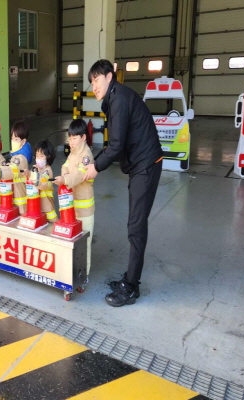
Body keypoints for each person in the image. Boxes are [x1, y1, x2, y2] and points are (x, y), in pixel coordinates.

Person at [83, 59, 163, 308]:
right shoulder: (115, 98)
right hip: (140, 165)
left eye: (97, 80)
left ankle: (131, 287)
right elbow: (118, 141)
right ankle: (129, 279)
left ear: (110, 76)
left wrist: (96, 167)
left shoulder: (119, 98)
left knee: (136, 226)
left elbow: (116, 144)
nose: (94, 86)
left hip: (146, 165)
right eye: (91, 82)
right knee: (134, 224)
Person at [53, 119, 95, 274]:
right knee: (72, 241)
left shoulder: (86, 156)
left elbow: (80, 175)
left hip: (84, 210)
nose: (71, 142)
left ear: (83, 137)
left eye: (75, 138)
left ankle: (84, 275)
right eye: (70, 138)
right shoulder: (73, 152)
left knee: (84, 244)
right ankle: (72, 273)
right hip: (71, 207)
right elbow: (65, 165)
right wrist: (64, 174)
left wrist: (65, 180)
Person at [0, 121, 32, 215]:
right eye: (12, 139)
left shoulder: (21, 158)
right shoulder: (16, 156)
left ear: (23, 141)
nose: (13, 142)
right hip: (15, 202)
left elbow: (12, 171)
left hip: (20, 204)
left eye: (16, 139)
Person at [33, 140, 58, 222]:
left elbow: (42, 182)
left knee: (51, 224)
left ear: (48, 157)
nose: (38, 159)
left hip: (47, 208)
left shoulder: (47, 171)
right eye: (37, 156)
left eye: (41, 156)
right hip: (37, 206)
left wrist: (31, 175)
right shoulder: (35, 169)